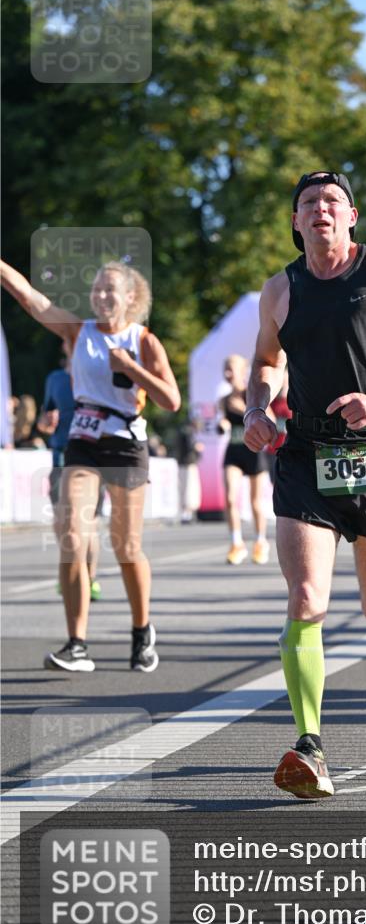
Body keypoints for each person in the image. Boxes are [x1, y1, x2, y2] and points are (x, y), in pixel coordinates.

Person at [243, 170, 366, 799]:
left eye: (332, 201)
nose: (321, 210)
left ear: (351, 216)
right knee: (306, 600)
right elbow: (267, 363)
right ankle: (310, 746)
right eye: (309, 203)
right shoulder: (280, 290)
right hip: (305, 451)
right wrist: (257, 409)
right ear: (297, 222)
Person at [0, 258, 180, 670]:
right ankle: (77, 643)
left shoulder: (144, 340)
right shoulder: (78, 332)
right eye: (95, 289)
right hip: (83, 441)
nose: (100, 296)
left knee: (126, 547)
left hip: (126, 445)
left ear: (130, 297)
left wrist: (131, 368)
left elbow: (171, 400)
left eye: (109, 290)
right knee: (71, 538)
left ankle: (141, 631)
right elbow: (29, 297)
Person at [37, 343, 103, 600]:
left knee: (88, 524)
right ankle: (71, 571)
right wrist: (46, 423)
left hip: (90, 457)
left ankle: (90, 577)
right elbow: (45, 419)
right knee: (61, 523)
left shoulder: (97, 375)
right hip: (60, 454)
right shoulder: (54, 379)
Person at [219, 354, 271, 565]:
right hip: (234, 450)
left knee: (255, 502)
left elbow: (271, 422)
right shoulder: (223, 400)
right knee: (231, 499)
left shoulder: (251, 396)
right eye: (226, 369)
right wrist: (222, 423)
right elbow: (221, 420)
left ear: (243, 371)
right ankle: (236, 543)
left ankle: (260, 542)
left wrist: (243, 411)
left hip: (255, 451)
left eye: (232, 369)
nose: (228, 373)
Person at [175, 413, 204, 523]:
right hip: (188, 464)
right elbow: (191, 447)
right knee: (189, 489)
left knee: (185, 488)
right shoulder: (189, 433)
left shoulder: (184, 431)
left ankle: (187, 513)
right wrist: (197, 448)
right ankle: (187, 513)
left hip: (184, 463)